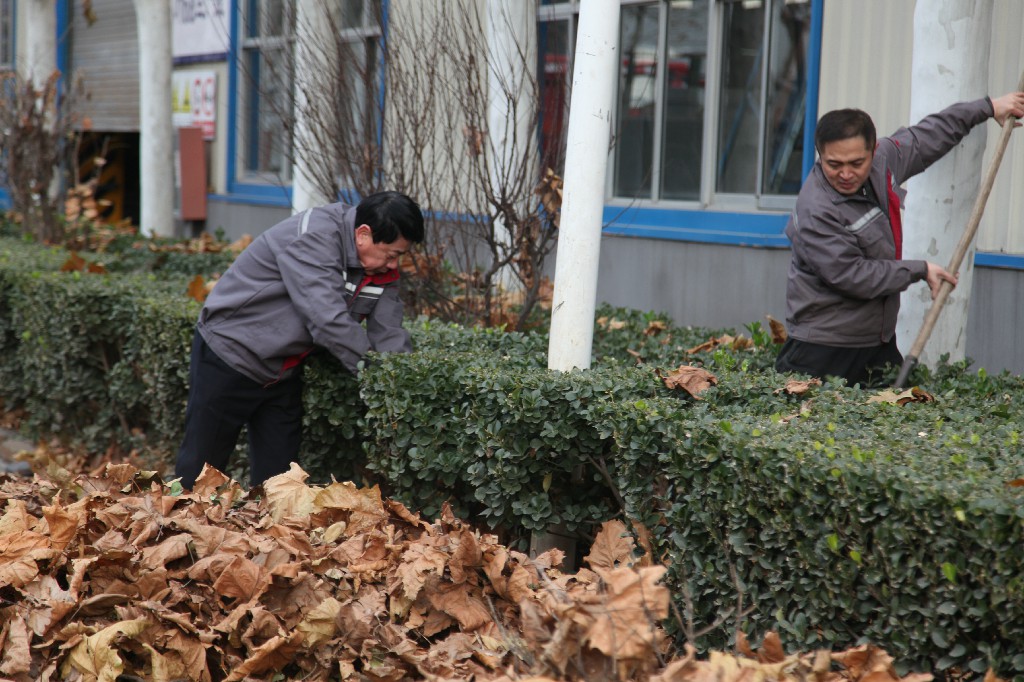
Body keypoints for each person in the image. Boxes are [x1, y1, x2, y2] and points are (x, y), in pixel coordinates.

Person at [175, 191, 425, 490]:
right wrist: (374, 372)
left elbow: (389, 332)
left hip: (282, 371)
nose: (395, 265)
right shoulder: (314, 237)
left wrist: (404, 383)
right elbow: (326, 319)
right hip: (229, 355)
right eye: (392, 254)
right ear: (363, 234)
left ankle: (269, 536)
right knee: (199, 472)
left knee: (280, 483)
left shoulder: (379, 267)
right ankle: (174, 530)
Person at [776, 90, 1024, 387]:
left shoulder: (883, 161)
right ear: (820, 155)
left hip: (874, 344)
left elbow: (925, 138)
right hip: (821, 350)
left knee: (902, 422)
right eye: (834, 164)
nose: (845, 174)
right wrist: (919, 269)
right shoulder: (816, 209)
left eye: (856, 163)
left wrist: (987, 108)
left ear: (873, 150)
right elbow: (851, 275)